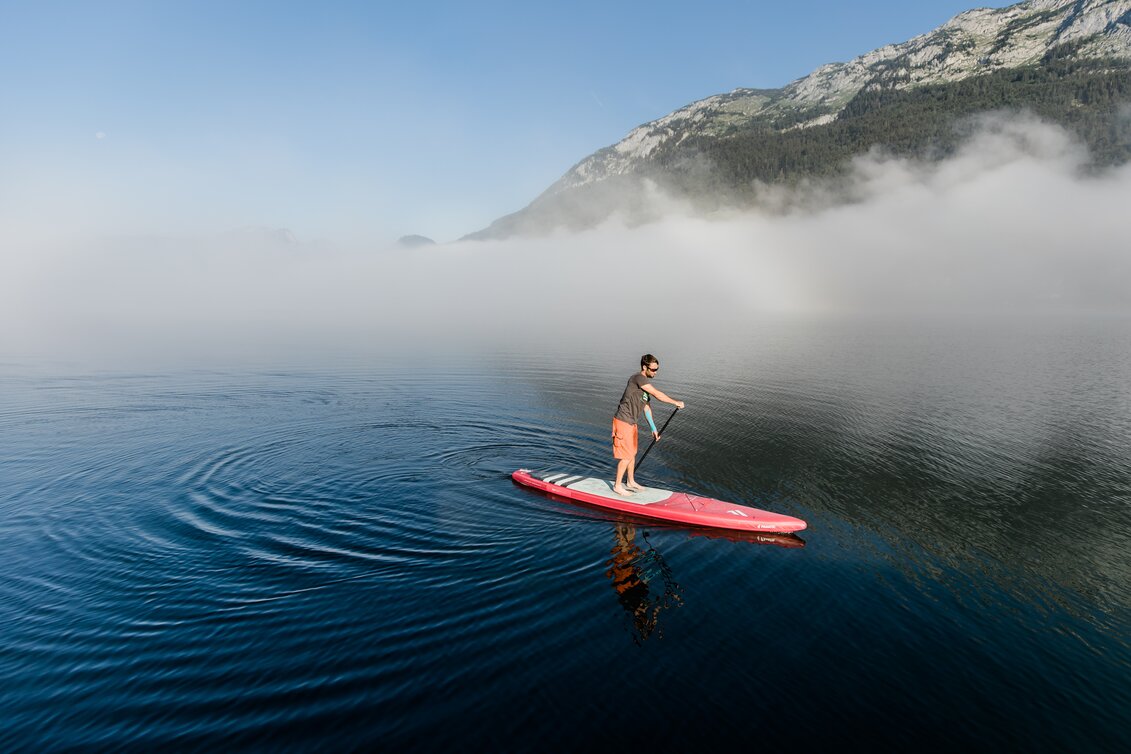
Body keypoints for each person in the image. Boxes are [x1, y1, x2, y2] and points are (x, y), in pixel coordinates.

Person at [611, 354, 685, 496]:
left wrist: (653, 428)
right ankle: (617, 486)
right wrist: (676, 402)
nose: (655, 372)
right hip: (623, 421)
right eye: (653, 369)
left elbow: (646, 408)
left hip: (632, 423)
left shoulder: (644, 388)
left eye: (657, 369)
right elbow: (657, 394)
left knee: (632, 454)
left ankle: (630, 482)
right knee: (626, 456)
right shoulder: (638, 378)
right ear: (644, 367)